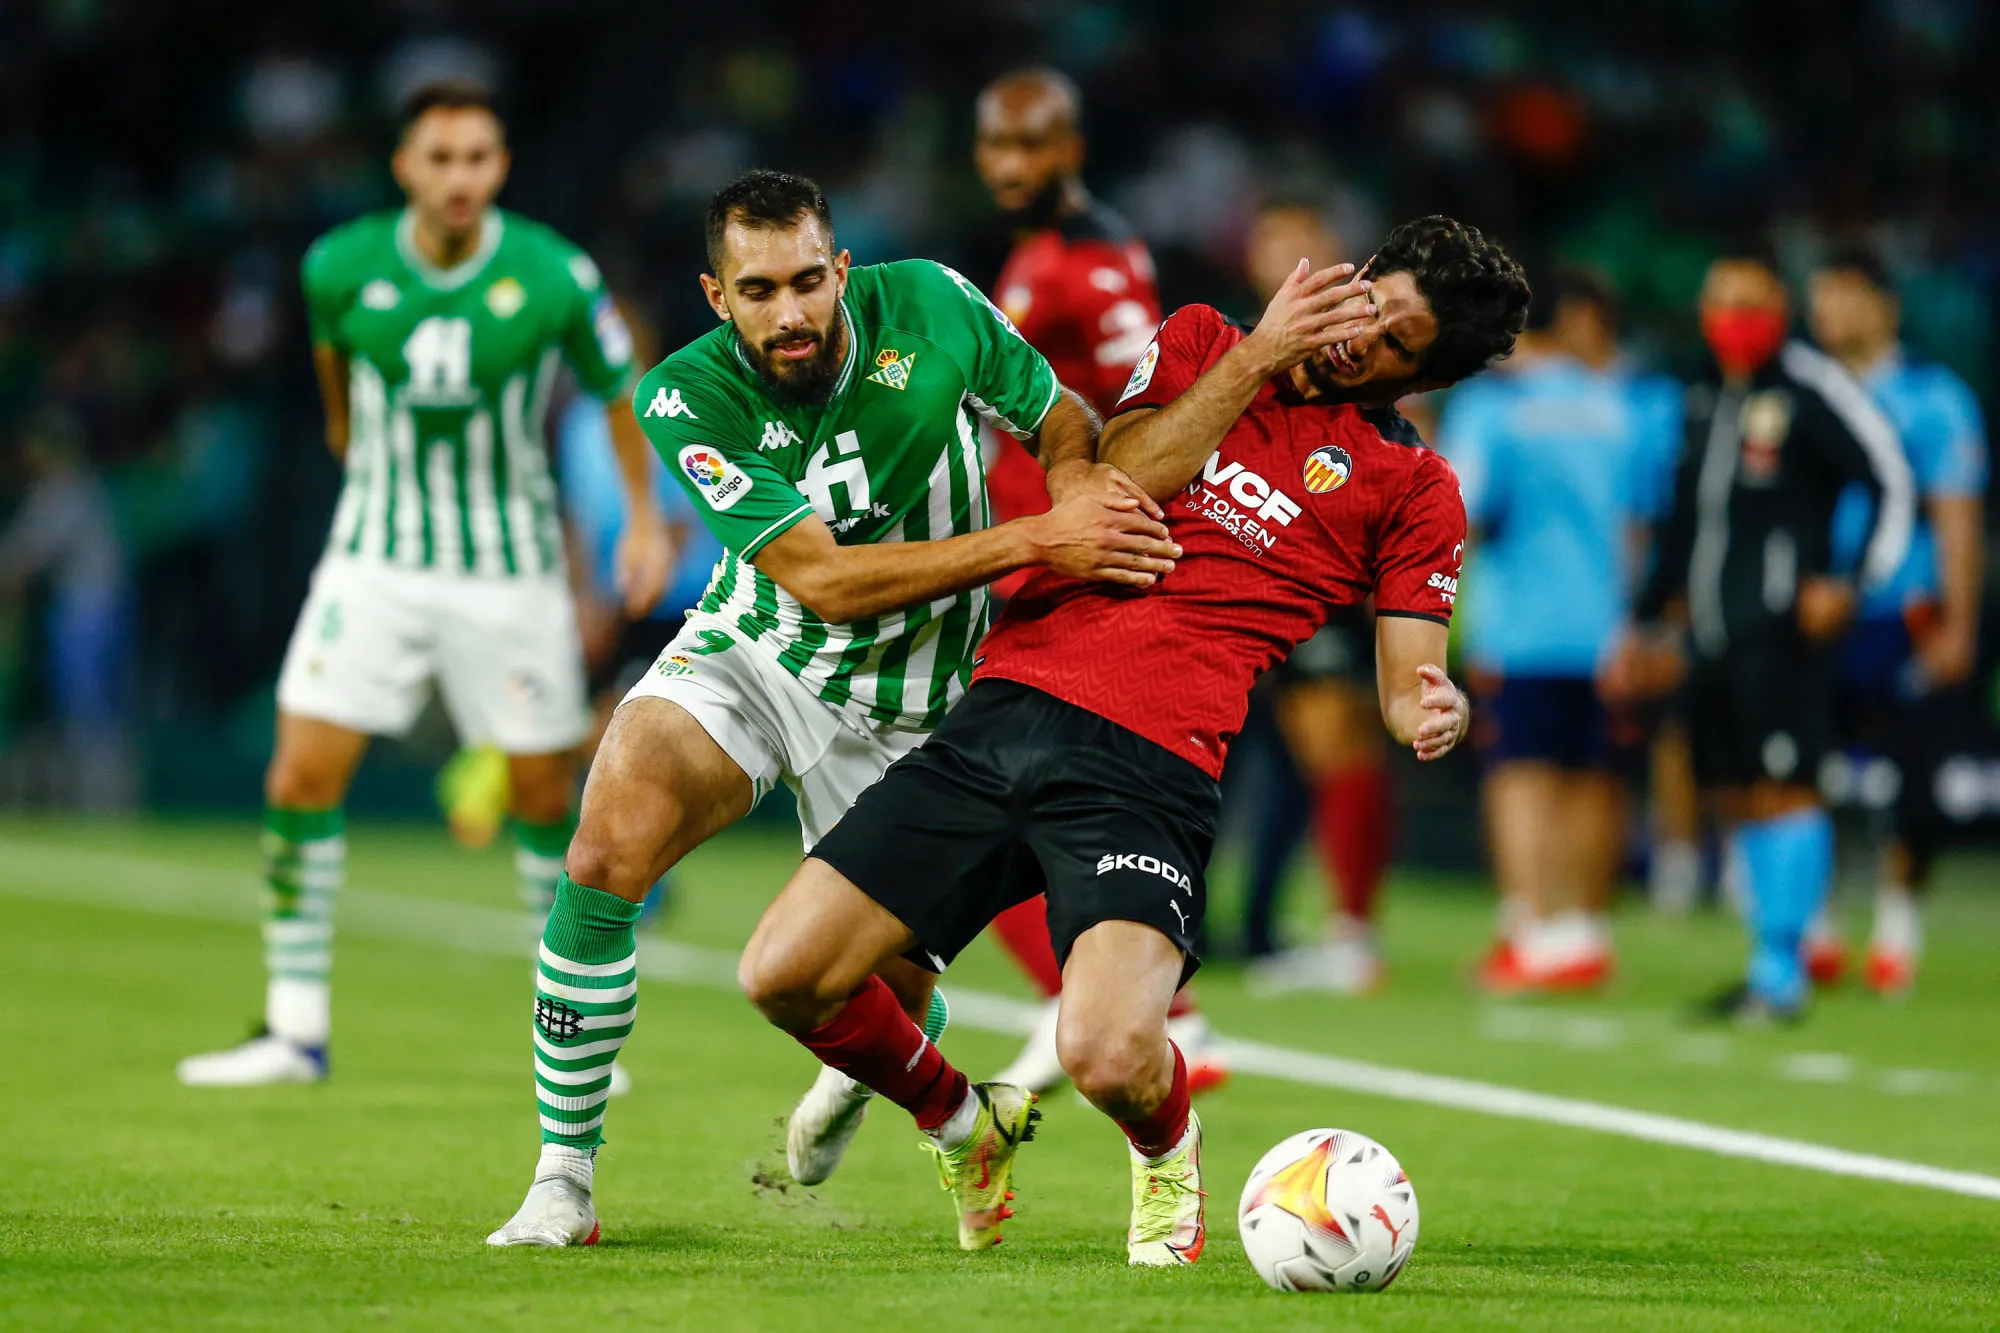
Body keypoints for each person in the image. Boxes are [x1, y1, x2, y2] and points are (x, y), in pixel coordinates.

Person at [737, 217, 1527, 1263]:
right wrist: (1258, 357)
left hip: (1149, 767)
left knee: (1107, 1054)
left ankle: (1166, 1146)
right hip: (1004, 710)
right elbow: (1121, 475)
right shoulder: (1204, 338)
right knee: (782, 973)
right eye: (1365, 300)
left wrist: (1430, 707)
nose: (1357, 336)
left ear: (1423, 374)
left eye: (1394, 340)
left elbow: (1403, 679)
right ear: (1346, 276)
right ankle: (962, 1124)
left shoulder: (1412, 489)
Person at [486, 169, 1179, 1247]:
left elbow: (1058, 419)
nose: (792, 312)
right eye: (758, 290)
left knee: (873, 997)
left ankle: (919, 1094)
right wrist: (1035, 538)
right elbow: (824, 581)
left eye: (810, 281)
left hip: (924, 703)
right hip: (760, 650)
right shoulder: (685, 394)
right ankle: (562, 1181)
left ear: (842, 270)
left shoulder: (934, 305)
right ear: (717, 298)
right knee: (603, 848)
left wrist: (1078, 485)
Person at [177, 82, 673, 1087]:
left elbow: (623, 393)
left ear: (500, 167)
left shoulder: (551, 273)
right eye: (440, 159)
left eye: (479, 158)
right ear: (403, 165)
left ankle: (568, 1027)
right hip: (376, 561)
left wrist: (645, 520)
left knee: (541, 794)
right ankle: (293, 1027)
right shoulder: (338, 267)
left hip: (509, 569)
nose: (460, 179)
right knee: (298, 775)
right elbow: (336, 399)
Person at [963, 65, 1224, 1093]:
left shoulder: (1092, 259)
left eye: (1033, 145)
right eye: (997, 145)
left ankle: (1154, 1011)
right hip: (1027, 552)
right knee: (1005, 792)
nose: (1012, 163)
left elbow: (1152, 394)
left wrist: (1119, 520)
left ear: (1070, 148)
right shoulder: (1043, 252)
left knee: (970, 788)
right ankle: (1112, 1004)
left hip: (1058, 560)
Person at [1602, 249, 1916, 1024]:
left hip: (1781, 632)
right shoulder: (1704, 396)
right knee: (1737, 792)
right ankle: (1766, 959)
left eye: (1750, 300)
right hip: (1709, 635)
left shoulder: (1811, 388)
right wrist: (1644, 622)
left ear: (1781, 306)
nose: (1733, 316)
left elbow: (1891, 480)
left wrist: (1849, 581)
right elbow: (1681, 524)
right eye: (1720, 300)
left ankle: (1785, 967)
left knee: (1786, 787)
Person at [1439, 268, 1680, 992]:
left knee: (1521, 776)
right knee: (1596, 778)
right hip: (1611, 626)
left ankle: (1532, 927)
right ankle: (1583, 931)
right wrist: (1643, 623)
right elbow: (1650, 522)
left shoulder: (1496, 406)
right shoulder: (1630, 406)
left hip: (1522, 625)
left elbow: (1467, 509)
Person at [1802, 249, 1987, 996]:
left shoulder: (1933, 398)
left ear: (1884, 305)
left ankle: (1898, 920)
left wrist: (1960, 619)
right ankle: (1816, 917)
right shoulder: (1802, 391)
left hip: (1900, 611)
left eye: (1844, 295)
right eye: (1820, 298)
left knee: (1906, 772)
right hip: (1813, 612)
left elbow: (1957, 513)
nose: (1829, 313)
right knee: (1809, 766)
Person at [1235, 196, 1397, 996]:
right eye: (1274, 238)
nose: (1287, 253)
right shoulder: (1245, 339)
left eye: (1303, 238)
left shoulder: (1357, 336)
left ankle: (1352, 931)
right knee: (1288, 762)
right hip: (1252, 569)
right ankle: (1263, 927)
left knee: (1336, 742)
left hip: (1327, 565)